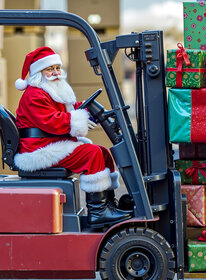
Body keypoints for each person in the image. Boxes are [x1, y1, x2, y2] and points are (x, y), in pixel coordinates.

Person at [13, 46, 132, 227]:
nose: (55, 73)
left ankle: (107, 204)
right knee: (92, 154)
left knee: (103, 152)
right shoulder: (34, 95)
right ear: (39, 72)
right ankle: (98, 212)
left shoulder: (50, 90)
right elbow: (53, 121)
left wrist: (90, 110)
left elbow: (70, 107)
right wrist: (80, 118)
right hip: (39, 148)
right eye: (49, 69)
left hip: (50, 141)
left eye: (57, 68)